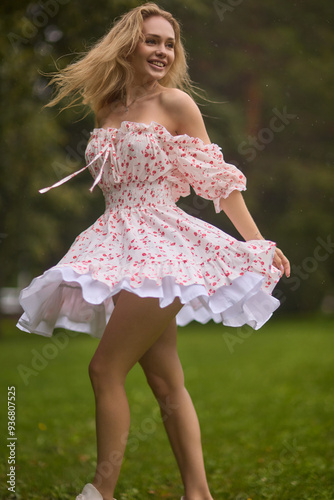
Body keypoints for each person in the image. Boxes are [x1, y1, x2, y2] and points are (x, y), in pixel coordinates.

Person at [16, 3, 290, 500]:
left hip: (161, 248)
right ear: (129, 46)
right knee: (166, 384)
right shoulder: (107, 105)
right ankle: (199, 495)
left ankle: (100, 491)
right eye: (152, 40)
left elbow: (218, 183)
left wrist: (256, 242)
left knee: (105, 368)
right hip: (117, 244)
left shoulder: (176, 106)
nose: (162, 50)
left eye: (169, 43)